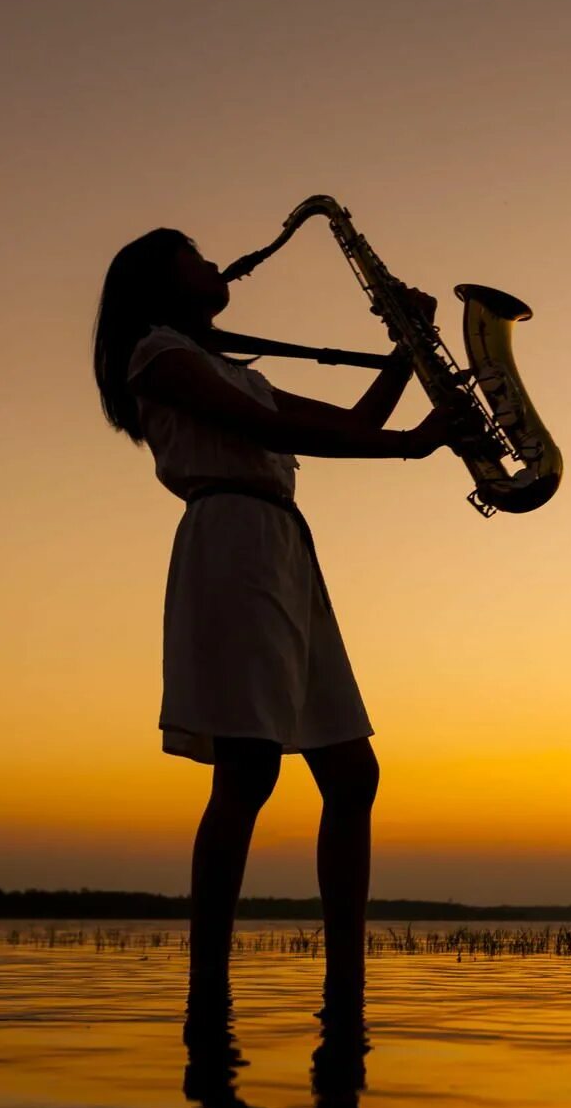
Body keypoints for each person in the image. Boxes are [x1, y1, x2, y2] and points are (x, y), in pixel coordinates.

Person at [91, 228, 461, 1004]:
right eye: (192, 253)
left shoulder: (224, 367)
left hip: (281, 545)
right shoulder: (156, 353)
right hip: (232, 540)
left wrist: (407, 353)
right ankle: (209, 988)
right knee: (249, 768)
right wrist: (410, 446)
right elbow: (275, 432)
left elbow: (346, 425)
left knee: (353, 773)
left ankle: (346, 982)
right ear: (160, 281)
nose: (212, 260)